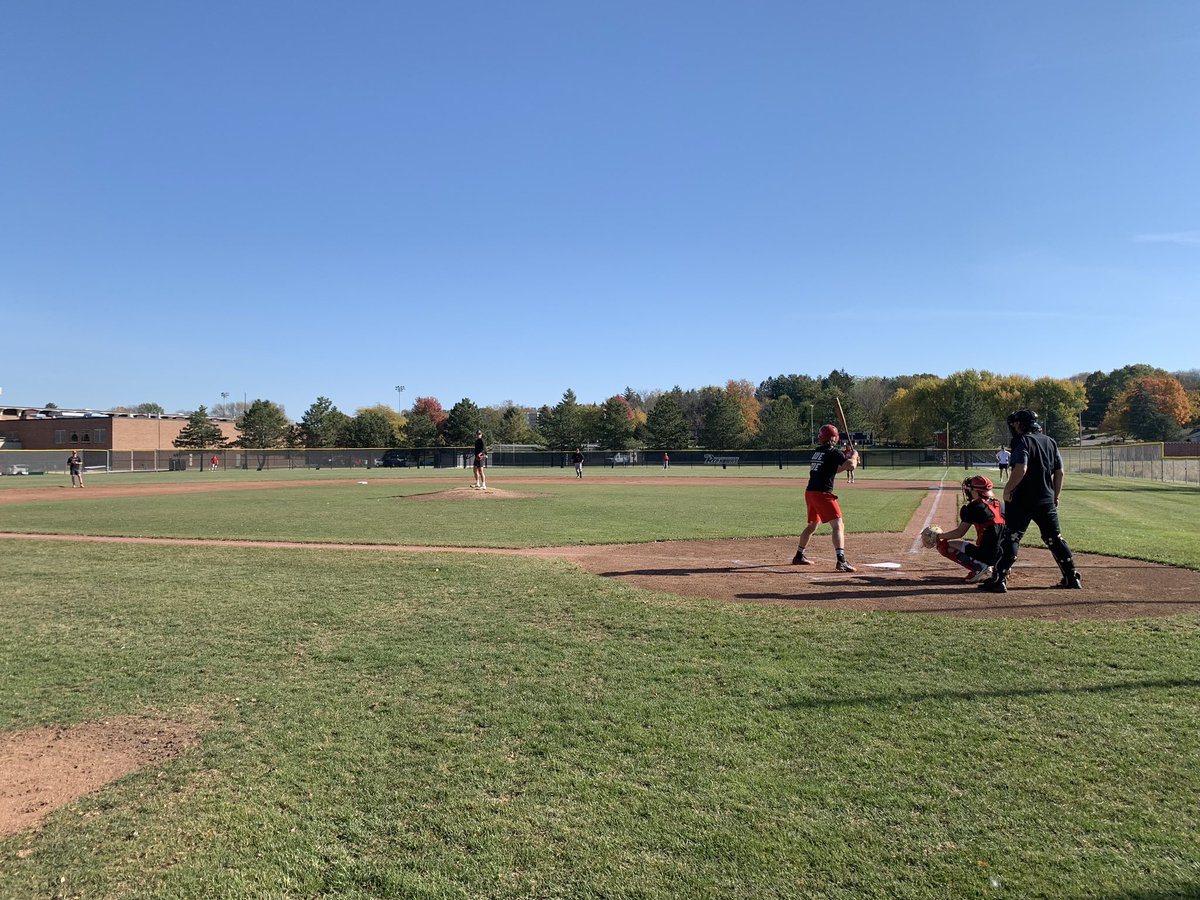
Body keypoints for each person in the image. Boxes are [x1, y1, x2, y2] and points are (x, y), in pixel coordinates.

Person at [980, 409, 1082, 593]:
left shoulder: (1022, 440)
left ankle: (999, 580)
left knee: (1011, 537)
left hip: (1022, 499)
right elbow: (1059, 472)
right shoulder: (1050, 441)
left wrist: (1008, 489)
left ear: (1020, 424)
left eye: (1015, 423)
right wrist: (1055, 496)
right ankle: (1071, 576)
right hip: (1046, 499)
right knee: (1054, 538)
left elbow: (1021, 468)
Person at [791, 424, 858, 572]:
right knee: (838, 525)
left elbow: (837, 468)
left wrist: (850, 462)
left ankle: (799, 556)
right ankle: (841, 561)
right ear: (834, 438)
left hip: (811, 492)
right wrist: (854, 457)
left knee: (812, 526)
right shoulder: (833, 452)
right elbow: (850, 466)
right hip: (822, 494)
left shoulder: (818, 452)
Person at [931, 475, 1007, 584]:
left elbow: (959, 533)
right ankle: (1003, 568)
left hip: (988, 555)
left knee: (944, 545)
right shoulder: (1000, 504)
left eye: (969, 489)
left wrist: (938, 536)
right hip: (1004, 555)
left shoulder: (975, 506)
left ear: (975, 491)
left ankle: (979, 567)